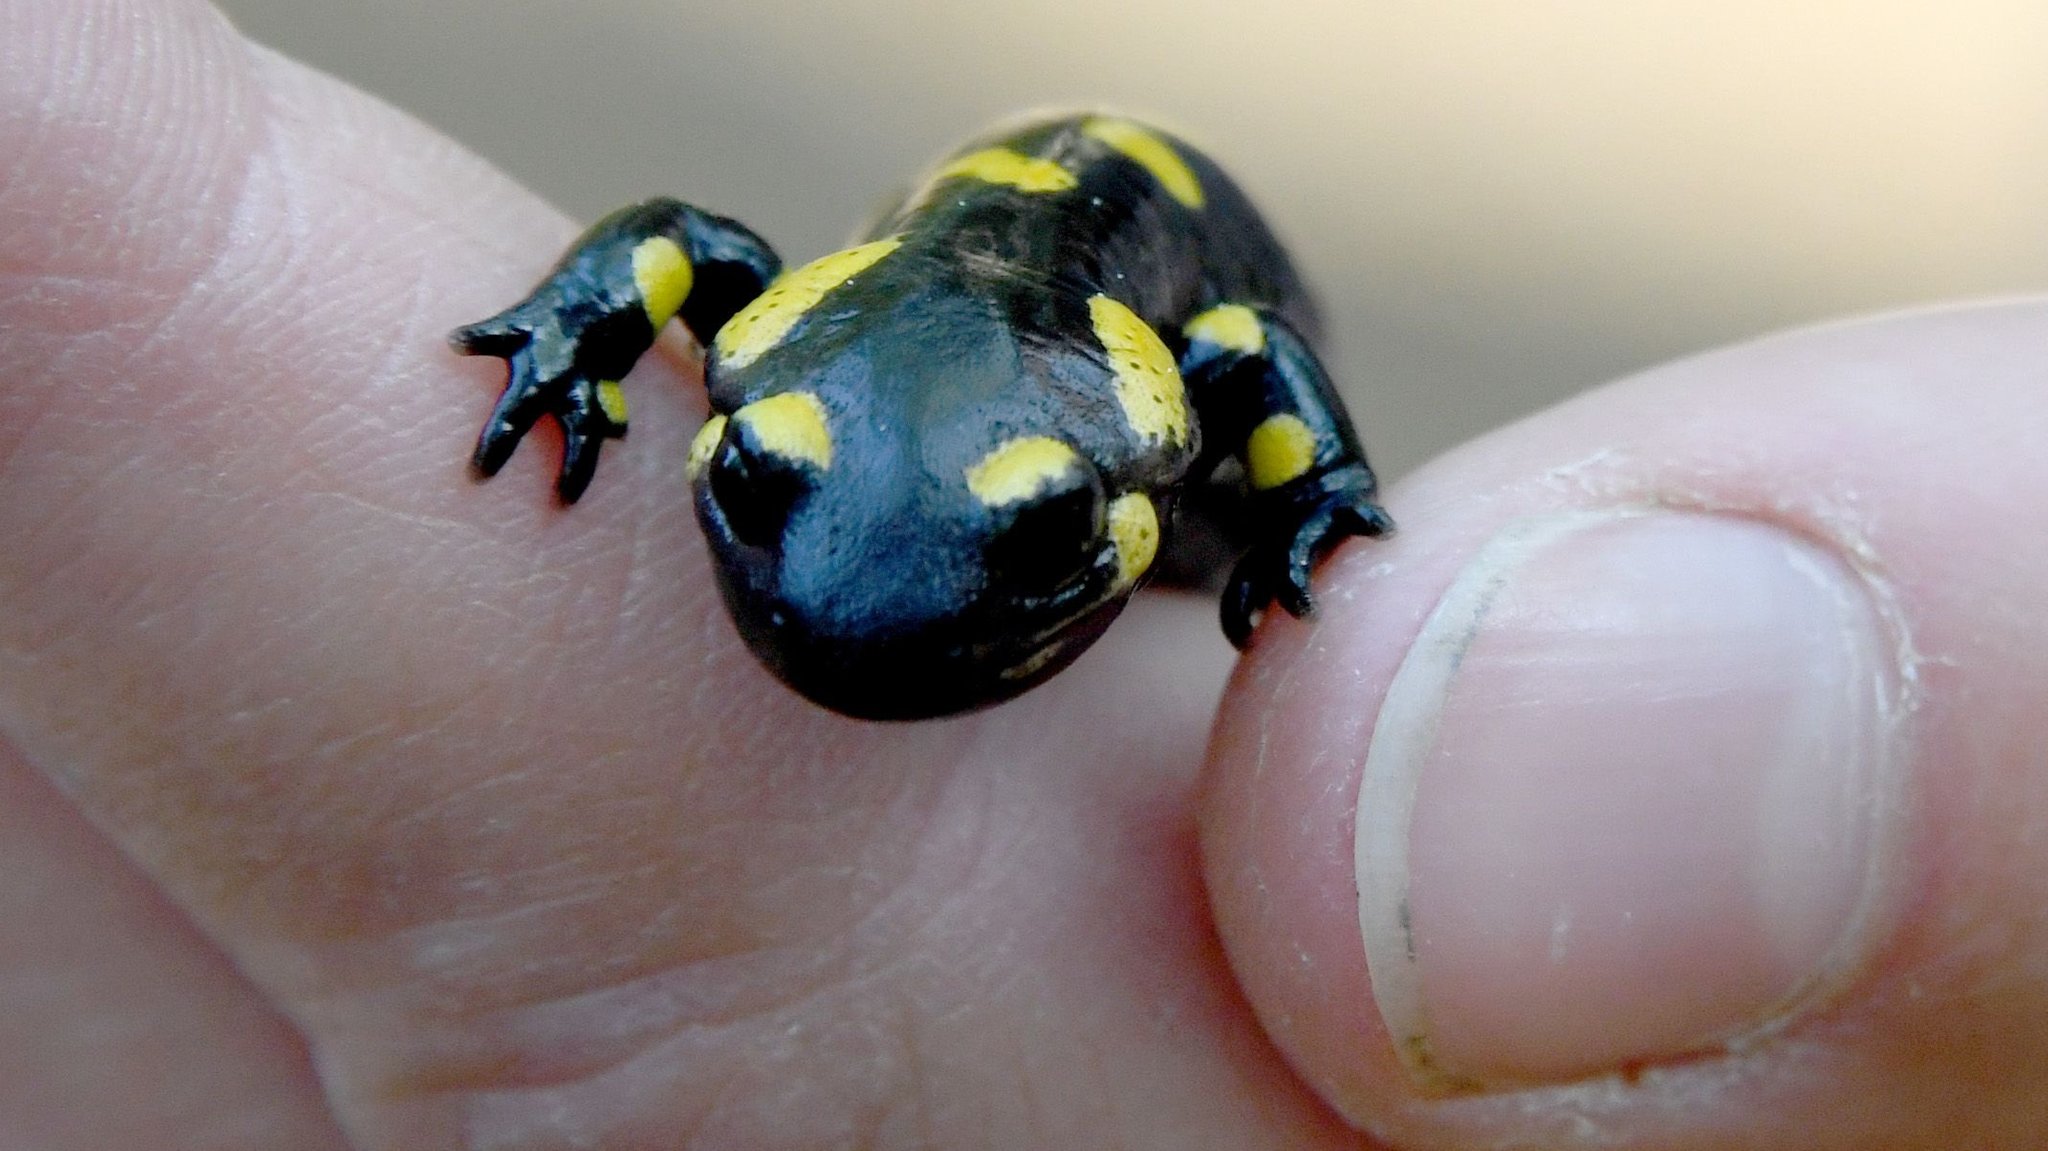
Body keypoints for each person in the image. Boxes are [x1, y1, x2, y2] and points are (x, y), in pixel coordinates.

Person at [2, 0, 2042, 1147]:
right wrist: (567, 332)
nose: (824, 600)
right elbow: (671, 241)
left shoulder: (1157, 365)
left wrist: (1312, 497)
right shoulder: (799, 326)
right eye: (755, 485)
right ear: (756, 395)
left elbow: (1246, 351)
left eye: (1042, 539)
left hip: (1106, 285)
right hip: (977, 343)